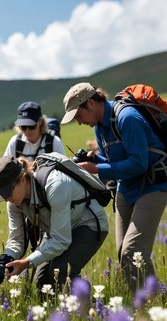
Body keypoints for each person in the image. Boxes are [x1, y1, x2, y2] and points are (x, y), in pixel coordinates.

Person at [60, 82, 167, 292]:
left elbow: (138, 163)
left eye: (78, 116)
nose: (79, 123)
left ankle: (156, 303)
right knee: (122, 253)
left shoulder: (127, 118)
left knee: (134, 250)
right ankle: (142, 302)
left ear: (90, 103)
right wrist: (95, 159)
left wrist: (97, 168)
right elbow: (115, 160)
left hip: (154, 186)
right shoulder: (100, 126)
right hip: (127, 188)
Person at [0, 156, 108, 291]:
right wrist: (5, 260)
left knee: (61, 270)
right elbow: (17, 238)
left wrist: (26, 262)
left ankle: (86, 306)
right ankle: (56, 311)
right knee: (43, 281)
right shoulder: (13, 201)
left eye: (7, 192)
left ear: (22, 179)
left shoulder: (55, 185)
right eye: (1, 194)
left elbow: (61, 240)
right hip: (55, 231)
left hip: (87, 224)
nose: (5, 199)